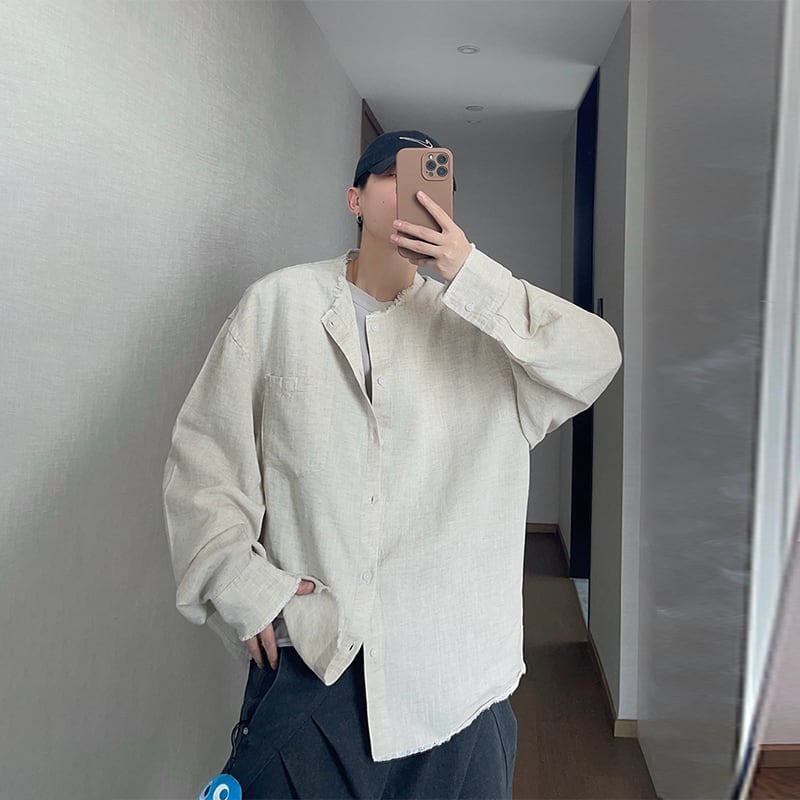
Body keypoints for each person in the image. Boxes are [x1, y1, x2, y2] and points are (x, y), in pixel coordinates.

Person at [163, 130, 622, 799]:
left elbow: (598, 355)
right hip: (315, 665)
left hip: (459, 688)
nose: (415, 193)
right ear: (354, 198)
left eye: (433, 180)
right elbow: (206, 461)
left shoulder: (486, 332)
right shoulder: (278, 306)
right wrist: (242, 583)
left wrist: (472, 274)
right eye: (393, 175)